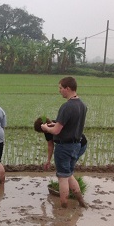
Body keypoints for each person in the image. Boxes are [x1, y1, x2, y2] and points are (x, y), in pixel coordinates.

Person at [40, 76, 87, 208]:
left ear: (67, 88)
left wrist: (45, 128)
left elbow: (56, 130)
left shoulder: (66, 107)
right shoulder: (82, 105)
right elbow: (68, 125)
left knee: (62, 178)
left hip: (64, 147)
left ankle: (63, 206)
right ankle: (81, 202)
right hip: (76, 145)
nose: (59, 91)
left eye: (60, 88)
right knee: (69, 175)